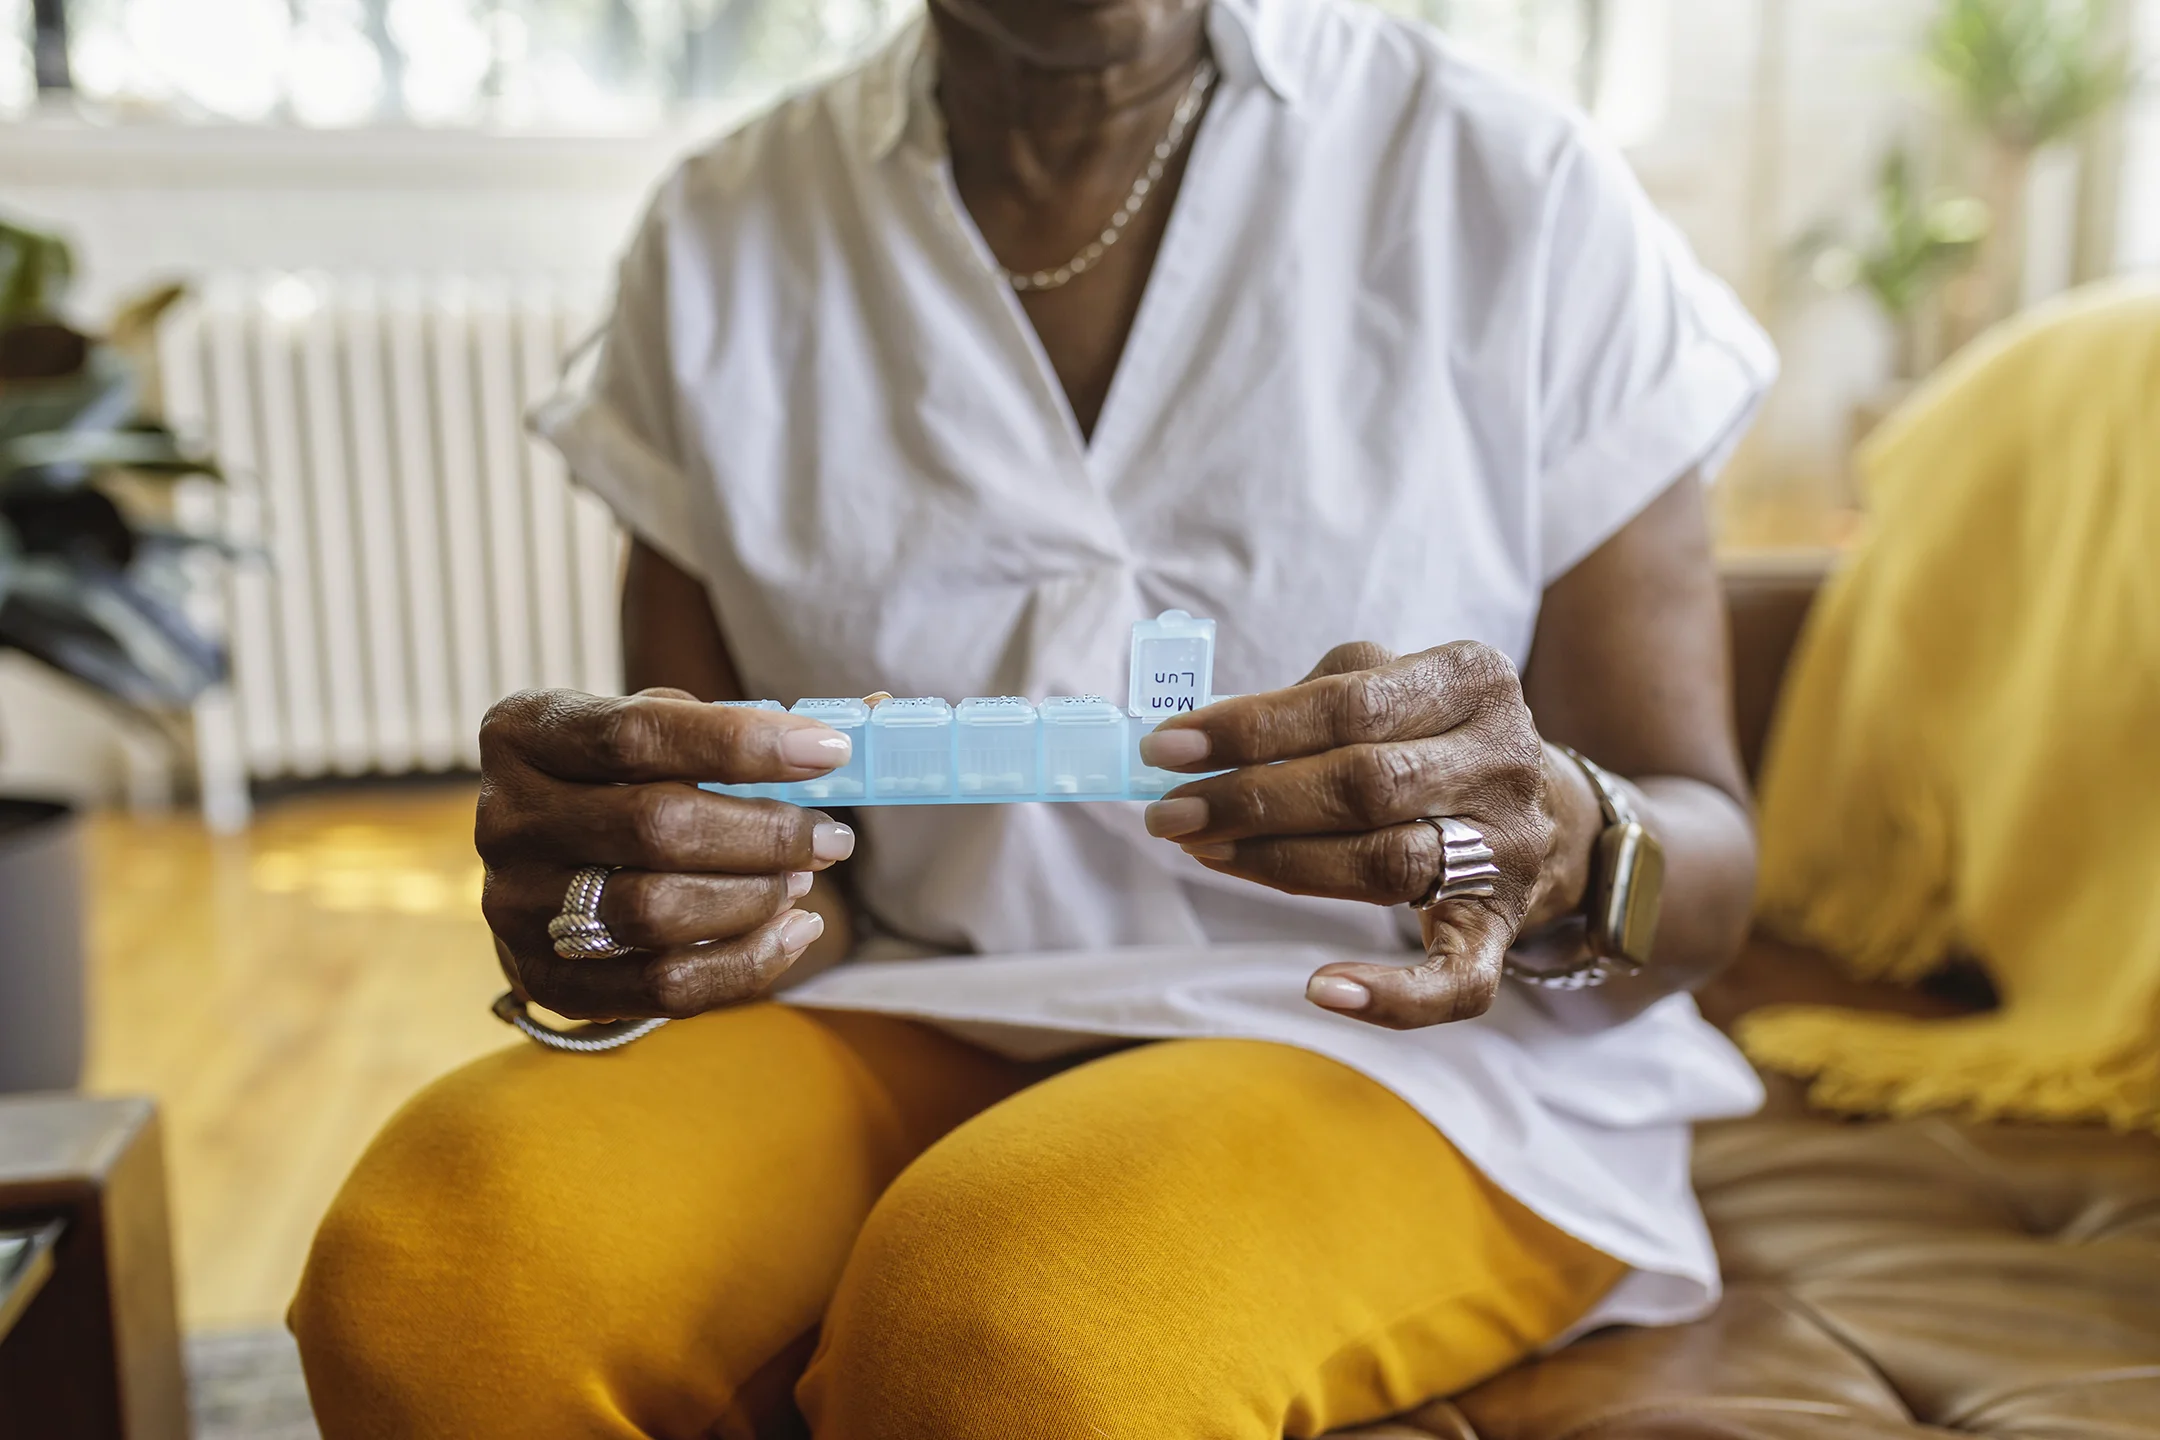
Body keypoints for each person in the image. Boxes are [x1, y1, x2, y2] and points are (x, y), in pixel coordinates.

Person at [290, 0, 1776, 1434]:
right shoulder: (725, 233)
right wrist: (645, 893)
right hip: (906, 1008)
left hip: (1404, 1051)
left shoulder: (1508, 182)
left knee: (1015, 1328)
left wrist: (1562, 834)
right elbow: (782, 885)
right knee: (438, 1278)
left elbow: (1707, 855)